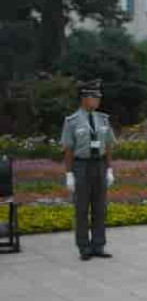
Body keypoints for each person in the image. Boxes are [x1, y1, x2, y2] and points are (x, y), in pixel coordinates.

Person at [61, 79, 116, 261]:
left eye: (99, 97)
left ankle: (98, 245)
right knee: (82, 208)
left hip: (99, 165)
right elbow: (68, 150)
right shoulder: (72, 121)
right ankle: (84, 246)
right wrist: (69, 174)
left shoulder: (103, 119)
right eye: (95, 97)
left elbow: (108, 145)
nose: (98, 100)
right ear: (85, 98)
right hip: (81, 166)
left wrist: (109, 169)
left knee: (100, 207)